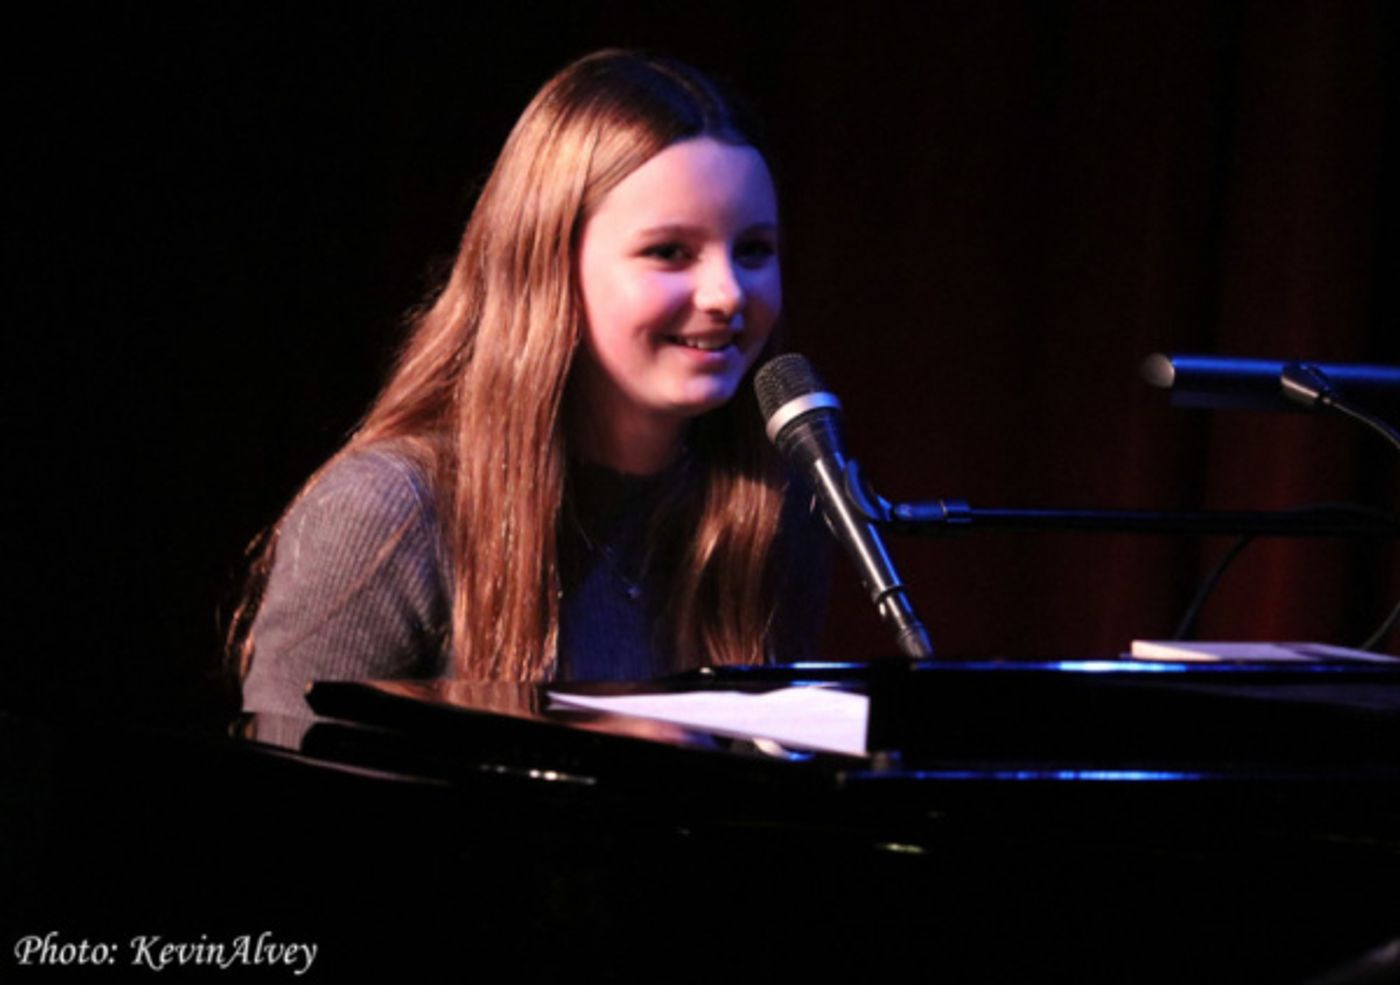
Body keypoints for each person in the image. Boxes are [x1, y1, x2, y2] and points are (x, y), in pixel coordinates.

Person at [233, 50, 828, 717]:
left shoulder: (773, 512)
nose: (726, 294)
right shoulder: (388, 512)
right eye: (669, 252)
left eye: (753, 251)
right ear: (546, 267)